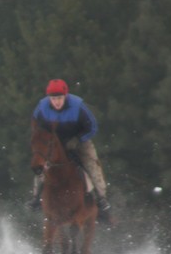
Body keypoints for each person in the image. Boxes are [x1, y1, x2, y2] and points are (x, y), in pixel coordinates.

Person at [27, 79, 113, 224]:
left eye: (59, 98)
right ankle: (36, 198)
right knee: (41, 164)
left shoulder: (78, 106)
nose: (57, 102)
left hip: (78, 140)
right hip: (53, 141)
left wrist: (77, 139)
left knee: (91, 163)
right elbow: (36, 127)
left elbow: (92, 127)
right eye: (53, 99)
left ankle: (101, 198)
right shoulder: (41, 108)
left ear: (65, 96)